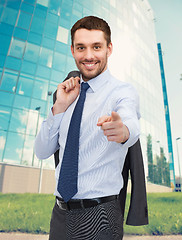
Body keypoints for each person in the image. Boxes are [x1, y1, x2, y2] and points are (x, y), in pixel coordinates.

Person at [34, 16, 140, 240]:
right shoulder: (66, 94)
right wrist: (60, 106)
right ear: (72, 50)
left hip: (100, 215)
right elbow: (42, 151)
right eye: (81, 47)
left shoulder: (121, 92)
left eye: (97, 47)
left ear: (109, 49)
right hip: (60, 213)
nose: (89, 56)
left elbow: (130, 122)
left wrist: (123, 131)